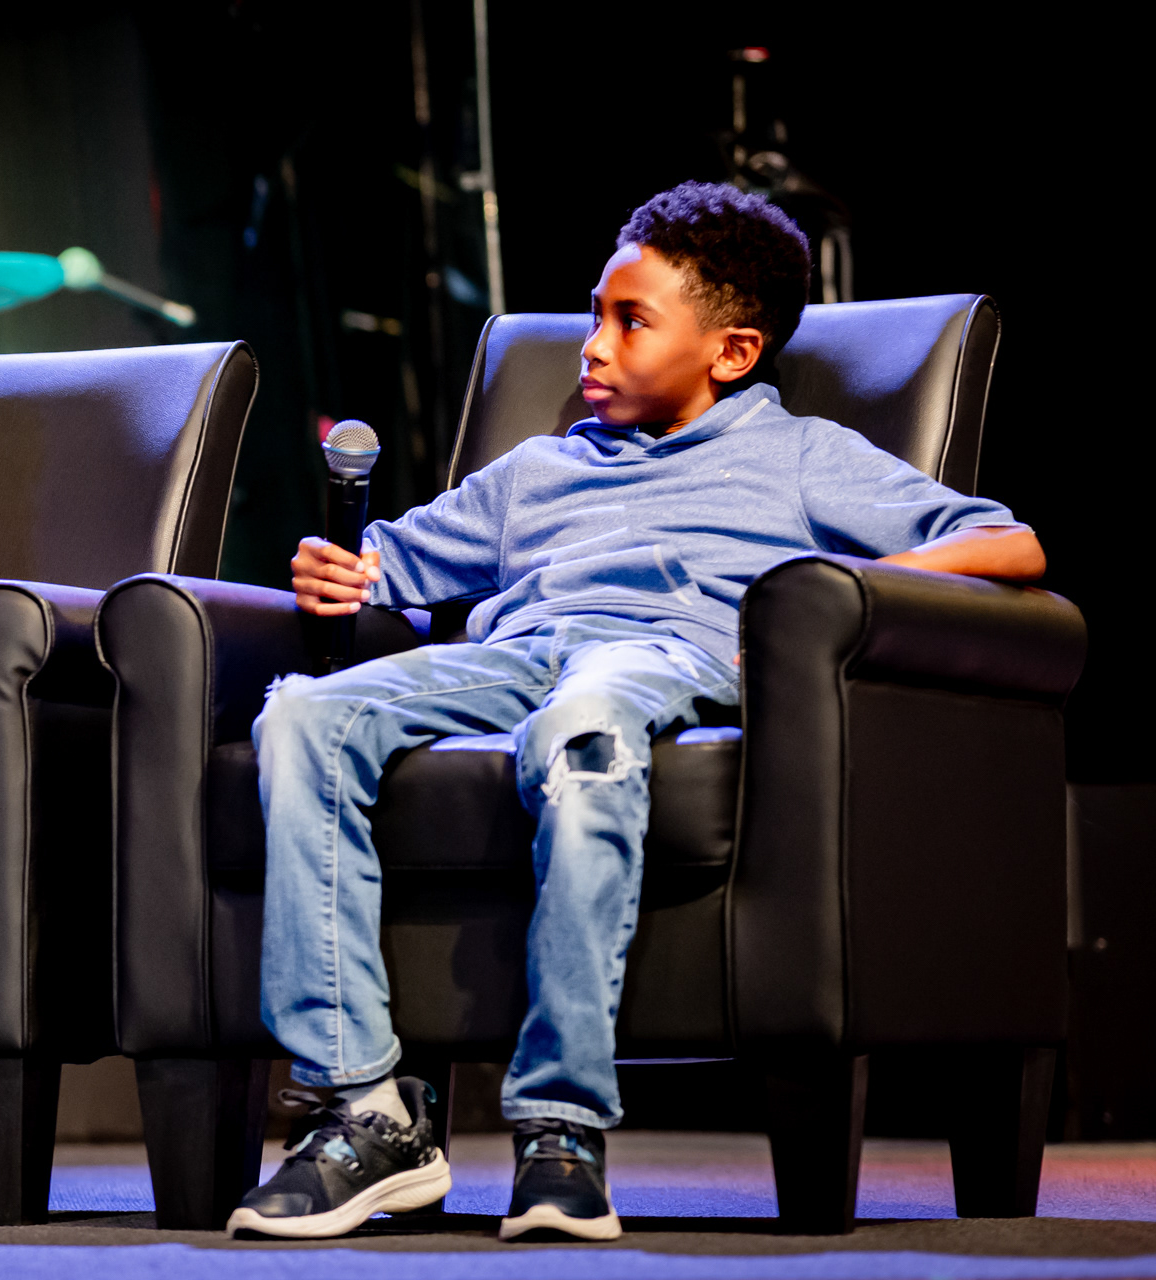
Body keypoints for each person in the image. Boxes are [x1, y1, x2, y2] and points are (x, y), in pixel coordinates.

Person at [228, 182, 1045, 1243]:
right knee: (302, 715)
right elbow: (388, 566)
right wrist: (339, 569)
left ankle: (561, 1123)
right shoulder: (539, 467)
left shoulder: (799, 454)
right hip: (516, 654)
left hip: (659, 655)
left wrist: (819, 589)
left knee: (587, 724)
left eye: (631, 322)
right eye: (595, 316)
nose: (593, 346)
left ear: (732, 352)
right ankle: (367, 1111)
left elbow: (1006, 543)